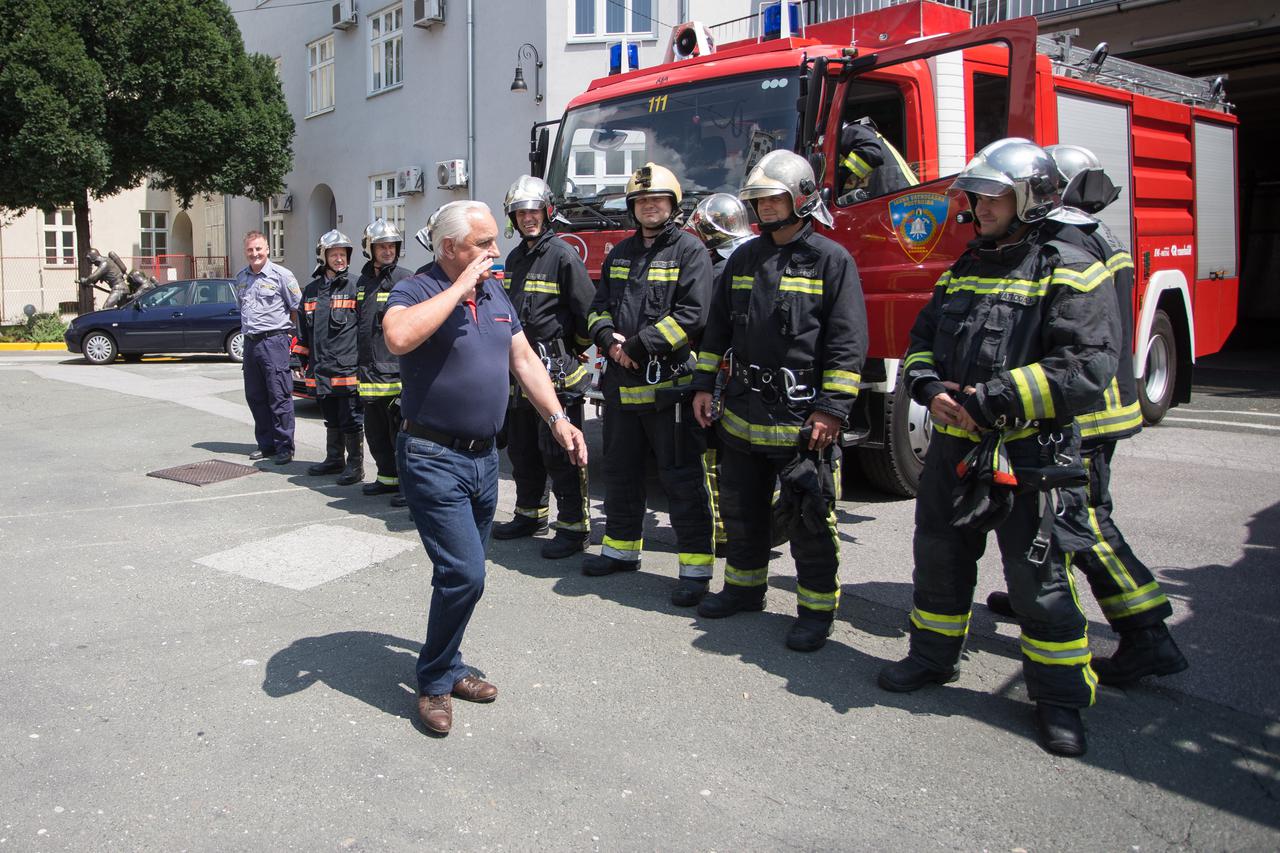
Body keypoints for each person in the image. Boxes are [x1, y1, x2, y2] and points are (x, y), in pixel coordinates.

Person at [877, 139, 1122, 757]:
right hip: (955, 451)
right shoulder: (966, 265)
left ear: (1030, 199)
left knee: (1038, 581)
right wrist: (928, 388)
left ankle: (1060, 701)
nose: (978, 206)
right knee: (938, 558)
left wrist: (991, 401)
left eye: (993, 196)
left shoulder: (1068, 264)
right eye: (976, 196)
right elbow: (924, 340)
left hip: (1031, 455)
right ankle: (932, 656)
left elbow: (1088, 364)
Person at [382, 200, 588, 737]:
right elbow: (399, 337)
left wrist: (558, 418)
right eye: (482, 244)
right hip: (432, 456)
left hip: (483, 460)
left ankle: (447, 666)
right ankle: (433, 682)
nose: (495, 252)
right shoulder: (419, 287)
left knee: (463, 578)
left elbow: (524, 360)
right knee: (465, 575)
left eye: (495, 241)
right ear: (449, 248)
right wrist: (458, 290)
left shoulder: (496, 291)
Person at [984, 144, 1188, 686]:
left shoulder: (1068, 241)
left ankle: (1146, 633)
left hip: (1083, 413)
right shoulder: (1095, 233)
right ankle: (1043, 594)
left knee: (1083, 522)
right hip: (1099, 403)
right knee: (1067, 517)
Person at [691, 151, 868, 652]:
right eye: (760, 201)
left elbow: (847, 340)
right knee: (742, 508)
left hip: (800, 416)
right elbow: (718, 328)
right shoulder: (744, 258)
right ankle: (745, 590)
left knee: (811, 515)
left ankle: (815, 610)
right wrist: (705, 385)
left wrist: (832, 408)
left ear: (801, 198)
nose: (766, 208)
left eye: (774, 198)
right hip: (744, 411)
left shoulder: (832, 260)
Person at [582, 163, 716, 607]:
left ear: (673, 206)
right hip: (621, 389)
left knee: (681, 479)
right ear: (632, 208)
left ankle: (695, 570)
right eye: (641, 201)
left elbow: (693, 315)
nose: (649, 206)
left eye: (657, 200)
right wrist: (605, 339)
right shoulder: (619, 253)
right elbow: (598, 307)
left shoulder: (691, 252)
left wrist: (638, 346)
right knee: (621, 474)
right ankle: (620, 551)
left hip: (669, 389)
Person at [491, 176, 596, 559]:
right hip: (520, 373)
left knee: (561, 452)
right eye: (521, 213)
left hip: (555, 372)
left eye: (533, 211)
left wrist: (570, 350)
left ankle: (573, 527)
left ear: (547, 212)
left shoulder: (564, 255)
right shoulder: (516, 258)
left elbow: (589, 316)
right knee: (522, 449)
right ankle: (530, 514)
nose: (528, 218)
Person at [687, 192, 757, 556]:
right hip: (751, 378)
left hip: (719, 376)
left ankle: (723, 532)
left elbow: (705, 326)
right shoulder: (758, 255)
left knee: (712, 455)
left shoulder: (717, 269)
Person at [296, 230, 364, 485]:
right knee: (331, 417)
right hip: (321, 369)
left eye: (343, 254)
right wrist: (298, 359)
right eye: (334, 254)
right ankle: (335, 459)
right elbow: (303, 329)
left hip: (347, 368)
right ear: (323, 257)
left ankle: (356, 467)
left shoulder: (356, 286)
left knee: (351, 419)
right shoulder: (312, 290)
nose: (339, 259)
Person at [355, 218, 413, 507]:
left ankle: (406, 484)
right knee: (375, 431)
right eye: (382, 246)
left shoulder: (406, 279)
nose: (388, 251)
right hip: (368, 372)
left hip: (396, 371)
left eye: (392, 246)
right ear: (371, 249)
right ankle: (386, 477)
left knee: (400, 433)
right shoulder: (363, 282)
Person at [233, 231, 302, 464]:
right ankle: (266, 444)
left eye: (259, 249)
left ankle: (285, 446)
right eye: (250, 250)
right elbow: (242, 307)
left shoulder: (282, 275)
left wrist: (289, 339)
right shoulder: (241, 278)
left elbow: (296, 308)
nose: (255, 254)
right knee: (256, 396)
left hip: (275, 342)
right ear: (246, 252)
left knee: (279, 395)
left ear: (268, 249)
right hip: (251, 343)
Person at [837, 118, 919, 203]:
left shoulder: (851, 131)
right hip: (895, 199)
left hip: (903, 198)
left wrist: (842, 174)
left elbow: (872, 153)